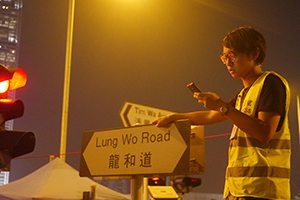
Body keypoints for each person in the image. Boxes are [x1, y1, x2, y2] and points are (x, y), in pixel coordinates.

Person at [152, 27, 291, 200]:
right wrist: (175, 117)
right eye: (224, 57)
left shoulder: (271, 83)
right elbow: (212, 115)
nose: (227, 62)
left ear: (254, 54)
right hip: (238, 191)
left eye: (232, 55)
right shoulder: (243, 95)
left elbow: (264, 133)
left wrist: (221, 106)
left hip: (262, 192)